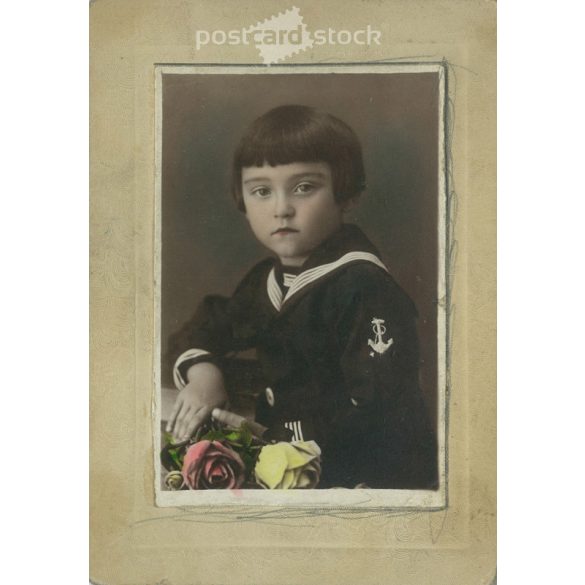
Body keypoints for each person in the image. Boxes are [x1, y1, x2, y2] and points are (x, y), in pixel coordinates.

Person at [166, 105, 438, 489]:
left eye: (304, 187)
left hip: (366, 478)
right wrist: (205, 375)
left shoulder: (363, 286)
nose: (281, 209)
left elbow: (380, 410)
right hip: (292, 465)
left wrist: (273, 439)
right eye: (261, 191)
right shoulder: (267, 279)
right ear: (242, 200)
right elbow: (207, 325)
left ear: (345, 193)